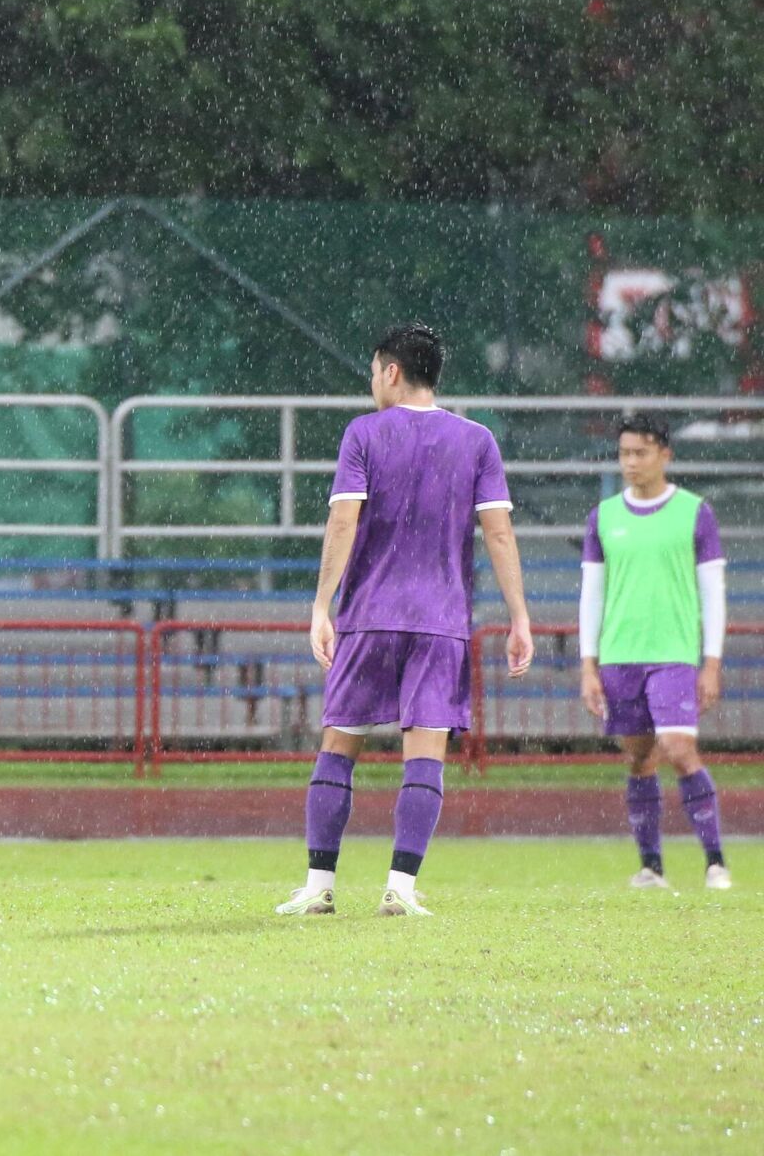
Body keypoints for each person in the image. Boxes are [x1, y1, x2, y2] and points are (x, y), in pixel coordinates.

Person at [276, 323, 534, 919]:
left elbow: (343, 523)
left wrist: (321, 605)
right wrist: (519, 616)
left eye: (374, 371)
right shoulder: (477, 441)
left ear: (391, 371)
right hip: (441, 620)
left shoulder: (364, 433)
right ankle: (401, 886)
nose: (372, 383)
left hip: (370, 615)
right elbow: (498, 532)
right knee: (425, 753)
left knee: (340, 744)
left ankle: (319, 886)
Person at [580, 412, 731, 890]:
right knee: (640, 758)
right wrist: (589, 664)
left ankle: (715, 862)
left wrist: (711, 661)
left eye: (641, 452)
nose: (631, 462)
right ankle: (652, 868)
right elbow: (592, 594)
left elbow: (713, 592)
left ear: (665, 454)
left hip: (674, 654)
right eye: (625, 453)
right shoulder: (603, 518)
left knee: (679, 748)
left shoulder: (694, 512)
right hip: (621, 656)